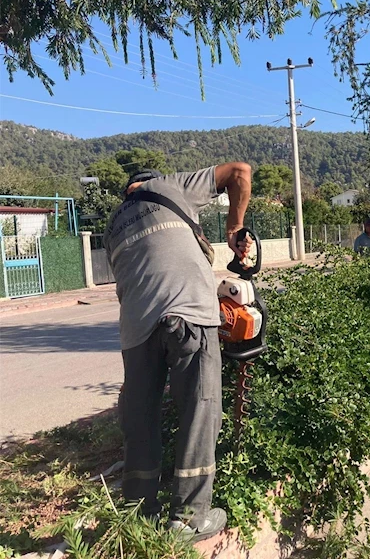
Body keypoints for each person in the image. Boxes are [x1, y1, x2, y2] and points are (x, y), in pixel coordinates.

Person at [104, 163, 252, 542]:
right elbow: (239, 172)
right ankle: (189, 517)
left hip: (136, 331)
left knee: (140, 419)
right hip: (187, 315)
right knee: (200, 410)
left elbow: (147, 270)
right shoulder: (169, 187)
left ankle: (138, 513)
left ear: (127, 190)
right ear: (151, 180)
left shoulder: (113, 224)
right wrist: (235, 229)